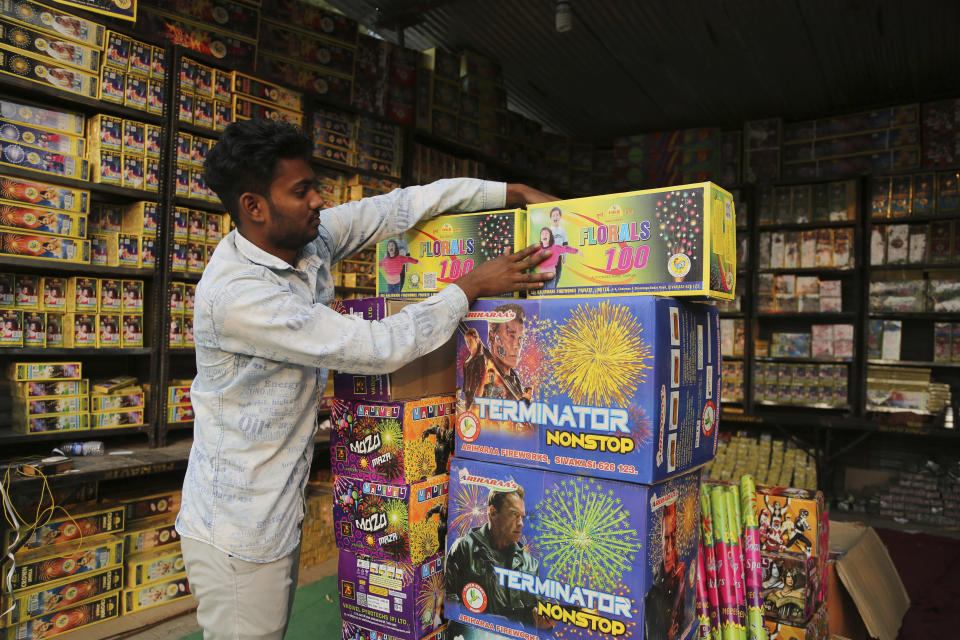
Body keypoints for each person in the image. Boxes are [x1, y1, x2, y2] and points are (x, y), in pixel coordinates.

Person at [175, 118, 555, 640]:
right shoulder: (240, 297)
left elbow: (394, 208)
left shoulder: (305, 244)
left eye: (315, 186)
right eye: (301, 190)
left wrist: (506, 190)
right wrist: (470, 287)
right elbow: (375, 348)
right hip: (238, 526)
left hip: (275, 510)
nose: (317, 201)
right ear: (253, 206)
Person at [446, 488, 552, 629]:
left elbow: (535, 613)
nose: (521, 523)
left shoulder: (530, 564)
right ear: (493, 512)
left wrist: (541, 622)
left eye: (522, 516)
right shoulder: (464, 548)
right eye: (514, 514)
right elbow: (449, 604)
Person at [644, 502, 688, 640]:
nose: (669, 548)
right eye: (666, 538)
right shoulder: (653, 594)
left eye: (673, 538)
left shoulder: (682, 576)